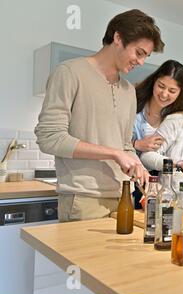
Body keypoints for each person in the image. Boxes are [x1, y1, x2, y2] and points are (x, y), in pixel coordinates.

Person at [34, 9, 165, 222]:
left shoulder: (129, 90)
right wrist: (114, 153)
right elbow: (49, 137)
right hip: (83, 199)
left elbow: (125, 145)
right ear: (118, 37)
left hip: (123, 196)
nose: (141, 62)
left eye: (146, 57)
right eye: (139, 53)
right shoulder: (69, 73)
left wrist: (137, 165)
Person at [132, 60, 183, 155]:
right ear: (154, 81)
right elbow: (111, 138)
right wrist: (136, 144)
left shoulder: (180, 119)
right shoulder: (132, 99)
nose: (164, 94)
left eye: (172, 91)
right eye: (161, 86)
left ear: (180, 93)